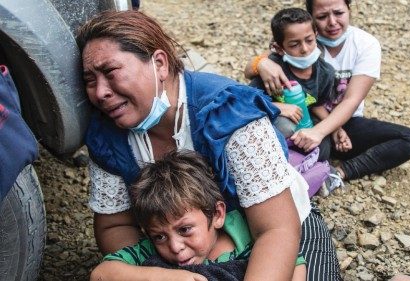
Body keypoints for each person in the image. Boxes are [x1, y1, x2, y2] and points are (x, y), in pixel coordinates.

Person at [77, 10, 341, 281]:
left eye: (111, 72)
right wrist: (159, 271)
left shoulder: (230, 113)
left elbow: (276, 230)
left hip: (279, 233)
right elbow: (115, 225)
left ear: (159, 63)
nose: (100, 92)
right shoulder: (107, 133)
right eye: (89, 81)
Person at [245, 0, 410, 187]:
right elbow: (252, 72)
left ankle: (339, 172)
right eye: (322, 16)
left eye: (338, 13)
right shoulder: (298, 37)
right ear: (312, 19)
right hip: (303, 121)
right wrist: (261, 63)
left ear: (349, 10)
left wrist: (326, 131)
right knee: (286, 131)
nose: (332, 22)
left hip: (341, 122)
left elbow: (351, 100)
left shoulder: (364, 45)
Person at [91, 150, 306, 281]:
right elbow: (101, 274)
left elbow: (294, 263)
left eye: (185, 230)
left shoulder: (245, 238)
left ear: (217, 214)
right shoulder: (152, 250)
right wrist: (164, 277)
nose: (175, 247)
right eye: (160, 236)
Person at [248, 7, 352, 164]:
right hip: (273, 125)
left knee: (323, 149)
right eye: (294, 44)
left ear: (316, 36)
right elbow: (246, 100)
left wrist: (336, 129)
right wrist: (277, 107)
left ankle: (295, 162)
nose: (304, 49)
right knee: (285, 126)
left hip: (304, 124)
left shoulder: (325, 73)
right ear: (279, 48)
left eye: (309, 40)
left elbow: (317, 104)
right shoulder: (273, 71)